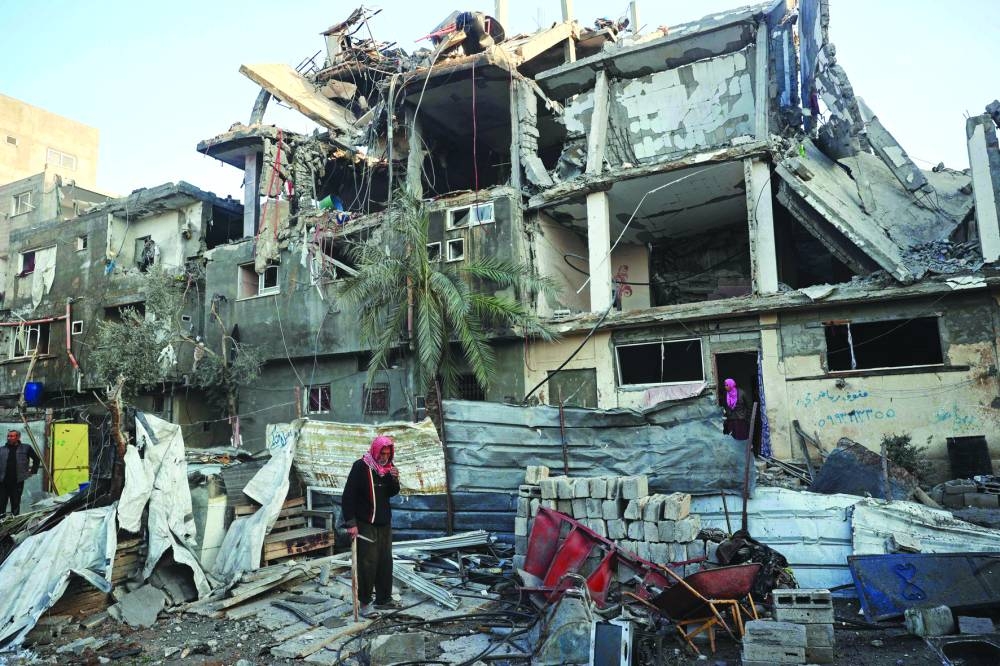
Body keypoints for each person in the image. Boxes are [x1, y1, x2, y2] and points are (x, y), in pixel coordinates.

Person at [342, 435, 400, 617]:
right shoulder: (361, 466)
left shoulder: (387, 469)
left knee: (385, 562)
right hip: (365, 522)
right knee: (368, 563)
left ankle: (384, 599)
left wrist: (395, 480)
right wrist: (351, 524)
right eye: (382, 453)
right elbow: (348, 496)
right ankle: (365, 602)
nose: (384, 457)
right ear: (375, 450)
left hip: (384, 523)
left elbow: (392, 493)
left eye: (387, 453)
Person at [0, 430, 40, 516]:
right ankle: (2, 522)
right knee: (1, 504)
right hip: (3, 482)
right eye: (8, 436)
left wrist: (33, 471)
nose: (9, 438)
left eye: (12, 436)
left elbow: (36, 459)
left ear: (18, 437)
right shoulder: (1, 450)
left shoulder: (26, 448)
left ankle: (14, 523)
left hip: (17, 482)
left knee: (15, 504)